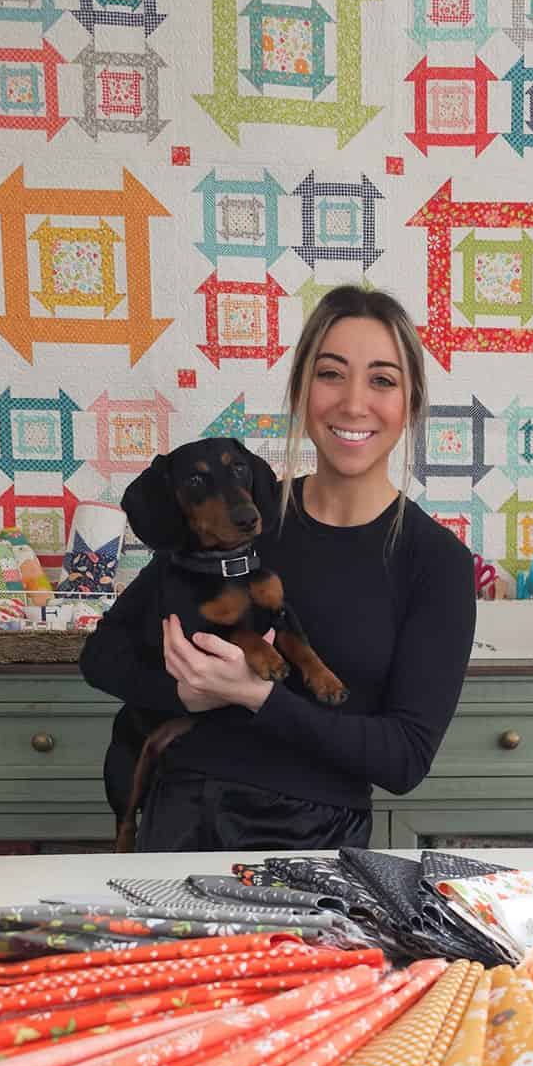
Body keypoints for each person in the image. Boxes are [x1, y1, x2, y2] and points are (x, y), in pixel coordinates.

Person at [80, 284, 476, 852]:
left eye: (382, 380)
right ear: (300, 390)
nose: (353, 403)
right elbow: (101, 657)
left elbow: (405, 758)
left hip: (318, 844)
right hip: (178, 824)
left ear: (410, 405)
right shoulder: (235, 519)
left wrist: (260, 697)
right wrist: (186, 694)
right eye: (331, 374)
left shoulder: (435, 561)